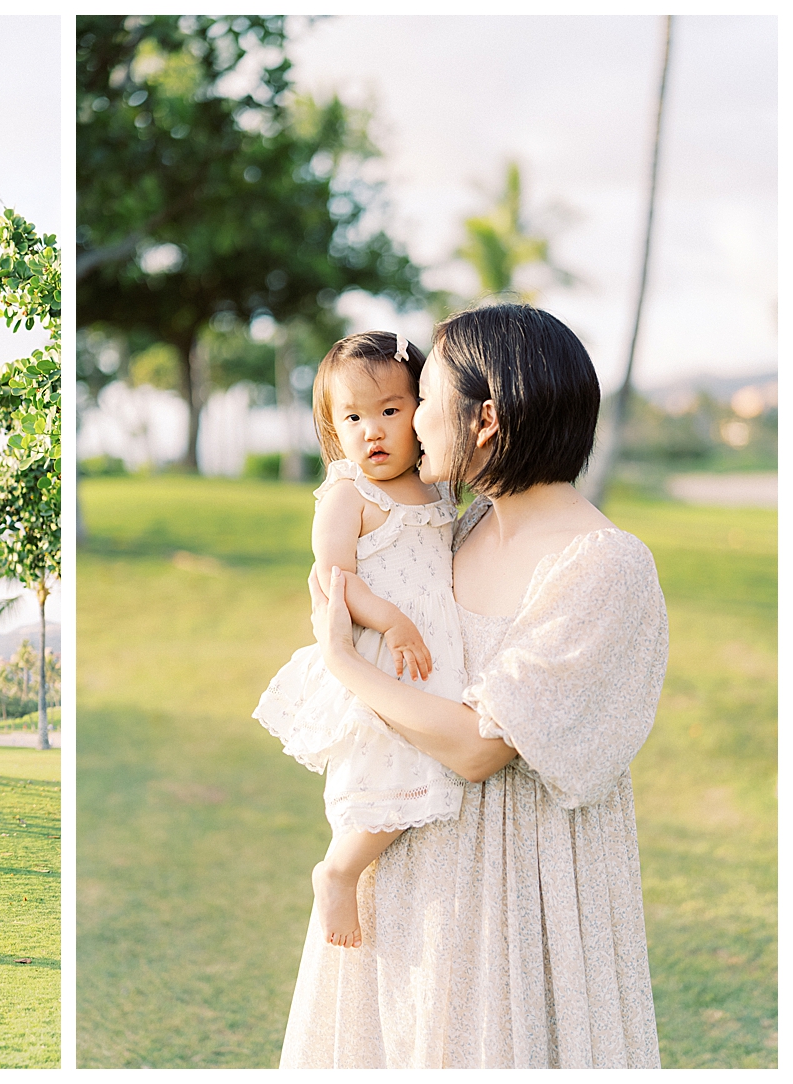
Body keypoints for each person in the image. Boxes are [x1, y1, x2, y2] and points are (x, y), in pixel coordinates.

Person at [279, 304, 667, 1068]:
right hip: (409, 883)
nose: (410, 419)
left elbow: (479, 748)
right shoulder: (457, 530)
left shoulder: (603, 566)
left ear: (485, 418)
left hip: (521, 905)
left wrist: (345, 665)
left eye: (423, 398)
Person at [254, 331, 466, 950]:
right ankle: (339, 869)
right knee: (384, 772)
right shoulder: (350, 494)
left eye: (389, 412)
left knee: (429, 765)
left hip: (433, 656)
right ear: (332, 427)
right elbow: (334, 578)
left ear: (422, 414)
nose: (371, 431)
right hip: (382, 652)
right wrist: (392, 620)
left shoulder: (439, 487)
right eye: (352, 417)